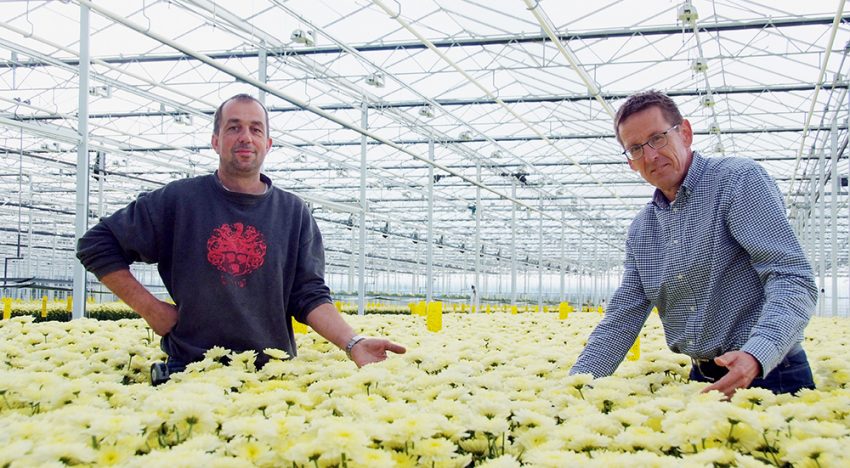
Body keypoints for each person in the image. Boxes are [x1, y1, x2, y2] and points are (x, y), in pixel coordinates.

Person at [77, 94, 405, 383]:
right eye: (233, 127)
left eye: (255, 129)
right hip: (190, 371)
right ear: (216, 140)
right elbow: (97, 244)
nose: (245, 137)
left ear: (268, 143)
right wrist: (151, 309)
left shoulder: (293, 212)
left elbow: (308, 295)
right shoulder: (179, 201)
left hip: (271, 373)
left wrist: (352, 343)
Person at [570, 90, 817, 398]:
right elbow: (623, 316)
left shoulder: (736, 181)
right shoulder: (642, 229)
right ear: (630, 163)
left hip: (772, 374)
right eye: (635, 149)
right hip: (702, 376)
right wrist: (574, 387)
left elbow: (792, 277)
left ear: (684, 132)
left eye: (657, 138)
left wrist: (758, 353)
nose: (650, 156)